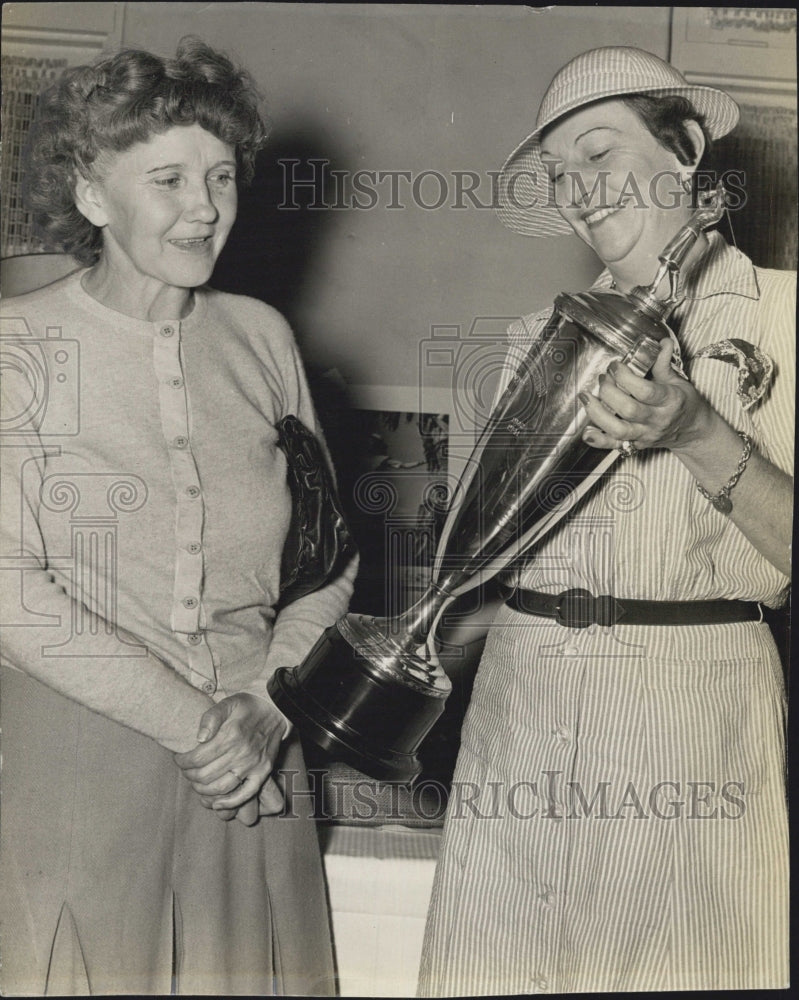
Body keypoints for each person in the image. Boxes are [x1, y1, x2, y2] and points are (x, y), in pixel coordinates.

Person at [419, 46, 792, 995]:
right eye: (557, 174)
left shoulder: (786, 319)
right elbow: (482, 564)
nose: (577, 191)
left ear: (687, 150)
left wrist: (696, 429)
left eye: (597, 154)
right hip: (518, 701)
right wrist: (404, 676)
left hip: (688, 718)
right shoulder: (526, 343)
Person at [0, 38, 356, 996]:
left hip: (258, 765)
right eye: (168, 179)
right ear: (91, 196)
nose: (206, 207)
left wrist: (271, 700)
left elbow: (328, 561)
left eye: (222, 177)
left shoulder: (261, 338)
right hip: (83, 765)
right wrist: (200, 726)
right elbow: (11, 591)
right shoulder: (19, 345)